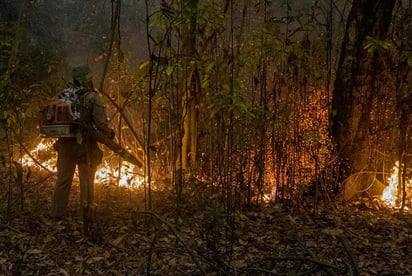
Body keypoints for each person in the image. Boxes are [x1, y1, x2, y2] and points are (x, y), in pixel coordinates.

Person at [50, 65, 115, 224]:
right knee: (86, 181)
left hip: (65, 145)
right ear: (87, 79)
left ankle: (57, 215)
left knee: (63, 180)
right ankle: (86, 216)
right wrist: (109, 132)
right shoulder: (92, 97)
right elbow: (100, 123)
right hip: (85, 146)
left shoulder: (63, 95)